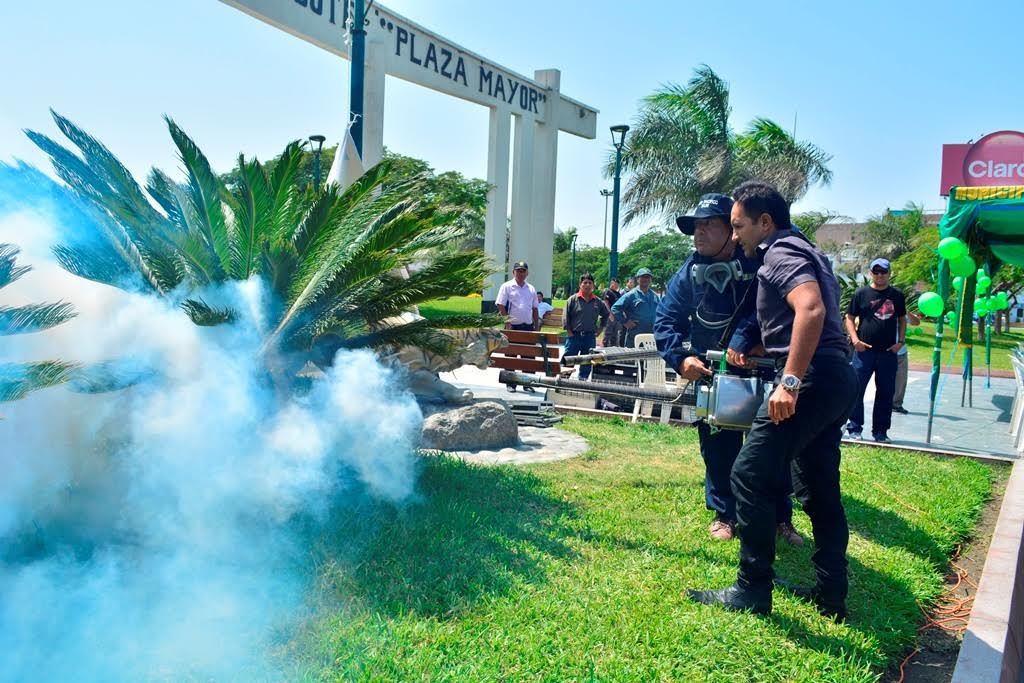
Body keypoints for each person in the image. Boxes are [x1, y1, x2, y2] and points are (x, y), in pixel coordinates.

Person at [687, 180, 858, 621]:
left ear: (765, 222)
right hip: (837, 376)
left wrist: (790, 382)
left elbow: (811, 310)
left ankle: (752, 590)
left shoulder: (780, 253)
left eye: (739, 226)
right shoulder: (810, 252)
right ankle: (831, 593)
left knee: (749, 474)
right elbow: (804, 318)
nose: (736, 235)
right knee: (819, 485)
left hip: (811, 379)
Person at [655, 193, 804, 545]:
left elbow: (776, 308)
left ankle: (781, 517)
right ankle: (725, 514)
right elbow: (666, 319)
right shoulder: (689, 271)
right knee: (717, 448)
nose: (699, 233)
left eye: (709, 225)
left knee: (773, 447)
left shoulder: (761, 261)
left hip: (763, 370)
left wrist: (746, 339)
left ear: (733, 230)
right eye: (696, 227)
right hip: (711, 373)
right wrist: (680, 359)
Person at [844, 258, 907, 442]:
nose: (880, 275)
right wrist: (855, 340)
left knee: (886, 393)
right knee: (856, 390)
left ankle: (880, 432)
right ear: (871, 273)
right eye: (876, 272)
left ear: (889, 273)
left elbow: (902, 318)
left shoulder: (896, 295)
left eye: (883, 272)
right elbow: (849, 317)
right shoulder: (861, 293)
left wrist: (900, 342)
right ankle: (854, 428)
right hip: (864, 352)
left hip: (888, 352)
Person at [496, 260, 539, 393]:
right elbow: (500, 305)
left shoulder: (531, 288)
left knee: (529, 357)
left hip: (528, 327)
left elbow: (535, 308)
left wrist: (536, 326)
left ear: (527, 273)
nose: (521, 273)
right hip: (513, 327)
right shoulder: (507, 286)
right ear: (513, 272)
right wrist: (507, 321)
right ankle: (511, 383)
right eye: (518, 271)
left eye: (523, 271)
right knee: (511, 356)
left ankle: (527, 383)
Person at [563, 273, 610, 380]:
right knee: (568, 359)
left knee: (587, 361)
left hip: (589, 337)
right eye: (585, 282)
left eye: (590, 283)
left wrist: (601, 328)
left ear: (593, 285)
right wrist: (569, 332)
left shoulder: (597, 301)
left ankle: (582, 381)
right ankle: (563, 380)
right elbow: (566, 316)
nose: (587, 285)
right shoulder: (573, 299)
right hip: (574, 336)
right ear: (580, 285)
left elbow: (606, 314)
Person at [611, 268, 659, 347]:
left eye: (648, 277)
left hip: (651, 335)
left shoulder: (655, 296)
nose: (646, 279)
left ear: (651, 279)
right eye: (643, 277)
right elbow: (615, 308)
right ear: (637, 279)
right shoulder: (631, 295)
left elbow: (660, 312)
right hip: (635, 335)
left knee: (651, 355)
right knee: (634, 354)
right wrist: (625, 321)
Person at [892, 311, 921, 414]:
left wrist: (906, 311)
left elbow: (916, 322)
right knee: (884, 380)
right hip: (886, 352)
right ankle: (884, 403)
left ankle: (896, 404)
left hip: (901, 353)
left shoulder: (901, 312)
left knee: (901, 380)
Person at [601, 278, 624, 347]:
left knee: (615, 334)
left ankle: (613, 349)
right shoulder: (608, 291)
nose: (616, 285)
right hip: (609, 316)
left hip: (617, 316)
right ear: (611, 283)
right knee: (607, 334)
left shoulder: (618, 293)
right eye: (615, 284)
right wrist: (610, 314)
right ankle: (604, 348)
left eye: (617, 284)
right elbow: (605, 303)